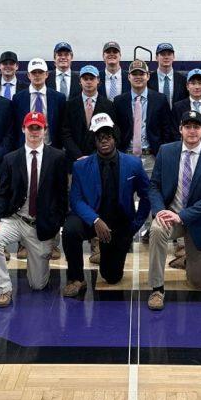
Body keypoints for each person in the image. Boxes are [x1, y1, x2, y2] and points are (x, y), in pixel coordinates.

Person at [0, 111, 70, 307]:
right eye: (31, 127)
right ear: (23, 129)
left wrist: (56, 226)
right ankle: (4, 289)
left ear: (45, 131)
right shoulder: (11, 158)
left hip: (40, 224)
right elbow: (2, 194)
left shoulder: (58, 157)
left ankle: (38, 259)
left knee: (38, 285)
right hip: (15, 218)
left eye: (38, 128)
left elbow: (62, 195)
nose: (34, 132)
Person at [61, 113, 150, 296]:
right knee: (70, 229)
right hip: (91, 220)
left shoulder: (133, 164)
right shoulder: (81, 166)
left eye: (108, 136)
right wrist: (95, 220)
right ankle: (76, 278)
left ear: (114, 137)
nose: (104, 141)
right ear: (93, 140)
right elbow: (76, 200)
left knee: (111, 276)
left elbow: (146, 196)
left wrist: (134, 226)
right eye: (99, 137)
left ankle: (106, 253)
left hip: (118, 223)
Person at [146, 110, 201, 310]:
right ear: (180, 129)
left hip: (199, 222)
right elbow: (154, 186)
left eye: (196, 127)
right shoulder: (166, 151)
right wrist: (160, 211)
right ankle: (157, 288)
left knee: (197, 283)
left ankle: (187, 258)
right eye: (188, 127)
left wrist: (181, 215)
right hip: (170, 218)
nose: (192, 131)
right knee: (156, 229)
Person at [112, 59, 173, 174]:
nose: (138, 77)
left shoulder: (160, 99)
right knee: (126, 192)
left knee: (151, 191)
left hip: (152, 157)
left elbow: (166, 130)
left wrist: (161, 153)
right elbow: (116, 130)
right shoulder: (119, 101)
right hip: (126, 156)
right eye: (134, 74)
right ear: (129, 77)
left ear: (148, 76)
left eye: (141, 74)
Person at [61, 64, 114, 162]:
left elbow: (112, 133)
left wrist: (95, 155)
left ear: (98, 80)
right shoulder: (70, 105)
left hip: (100, 159)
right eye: (85, 79)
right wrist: (78, 155)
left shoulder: (108, 106)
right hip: (74, 160)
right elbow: (65, 133)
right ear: (80, 81)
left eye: (92, 78)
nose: (89, 82)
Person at [11, 58, 65, 146]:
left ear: (47, 74)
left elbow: (61, 127)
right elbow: (15, 127)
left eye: (40, 72)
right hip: (25, 148)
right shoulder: (18, 98)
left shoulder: (58, 98)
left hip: (51, 148)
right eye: (34, 72)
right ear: (28, 75)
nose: (37, 75)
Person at [149, 42, 185, 107]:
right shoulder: (149, 79)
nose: (166, 57)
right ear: (156, 57)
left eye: (169, 54)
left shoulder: (183, 80)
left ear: (173, 57)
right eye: (163, 54)